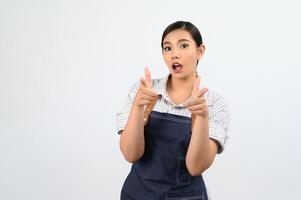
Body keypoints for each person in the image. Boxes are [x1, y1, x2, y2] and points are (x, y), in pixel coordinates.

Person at [116, 21, 230, 200]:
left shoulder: (214, 103)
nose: (174, 54)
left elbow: (196, 167)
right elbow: (131, 154)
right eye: (167, 48)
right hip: (137, 194)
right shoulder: (143, 91)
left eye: (183, 45)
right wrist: (139, 108)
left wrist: (201, 117)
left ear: (200, 51)